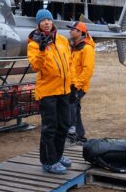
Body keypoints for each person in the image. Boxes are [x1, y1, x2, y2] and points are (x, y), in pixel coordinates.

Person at [27, 9, 73, 174]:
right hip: (47, 92)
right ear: (38, 24)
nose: (47, 22)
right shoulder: (34, 43)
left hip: (64, 90)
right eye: (43, 20)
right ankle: (48, 161)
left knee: (64, 125)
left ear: (52, 22)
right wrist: (41, 49)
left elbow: (69, 63)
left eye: (49, 19)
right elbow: (36, 66)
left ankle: (57, 155)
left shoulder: (62, 40)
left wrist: (72, 84)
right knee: (50, 127)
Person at [67, 20, 95, 144]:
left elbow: (87, 70)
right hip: (72, 84)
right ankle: (80, 135)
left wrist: (77, 86)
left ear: (80, 32)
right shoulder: (74, 47)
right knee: (75, 108)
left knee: (71, 106)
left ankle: (72, 134)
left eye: (73, 29)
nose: (70, 31)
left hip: (79, 86)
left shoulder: (87, 48)